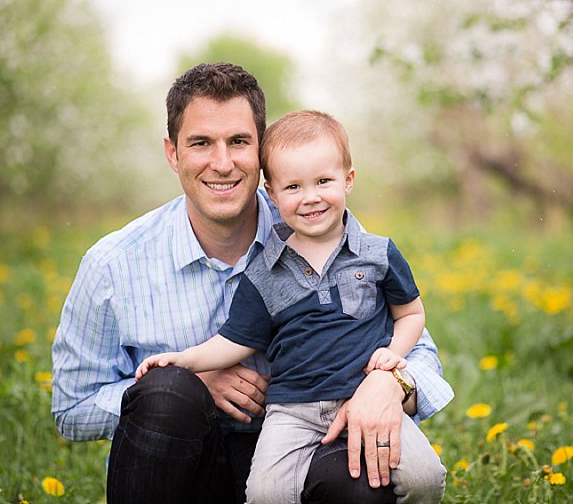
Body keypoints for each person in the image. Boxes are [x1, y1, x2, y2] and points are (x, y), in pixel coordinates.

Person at [51, 62, 454, 503]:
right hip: (178, 470)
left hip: (305, 450)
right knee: (170, 391)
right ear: (172, 152)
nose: (222, 163)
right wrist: (192, 390)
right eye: (201, 143)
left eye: (239, 142)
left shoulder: (322, 230)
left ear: (260, 151)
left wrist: (391, 383)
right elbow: (72, 409)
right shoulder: (113, 265)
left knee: (364, 482)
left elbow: (414, 343)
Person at [136, 110, 449, 503]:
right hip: (291, 411)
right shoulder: (264, 272)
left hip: (365, 397)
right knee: (265, 494)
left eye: (323, 181)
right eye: (294, 187)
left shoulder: (376, 253)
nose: (311, 197)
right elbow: (234, 341)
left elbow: (411, 314)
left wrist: (391, 358)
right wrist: (183, 361)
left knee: (426, 476)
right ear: (272, 194)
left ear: (348, 180)